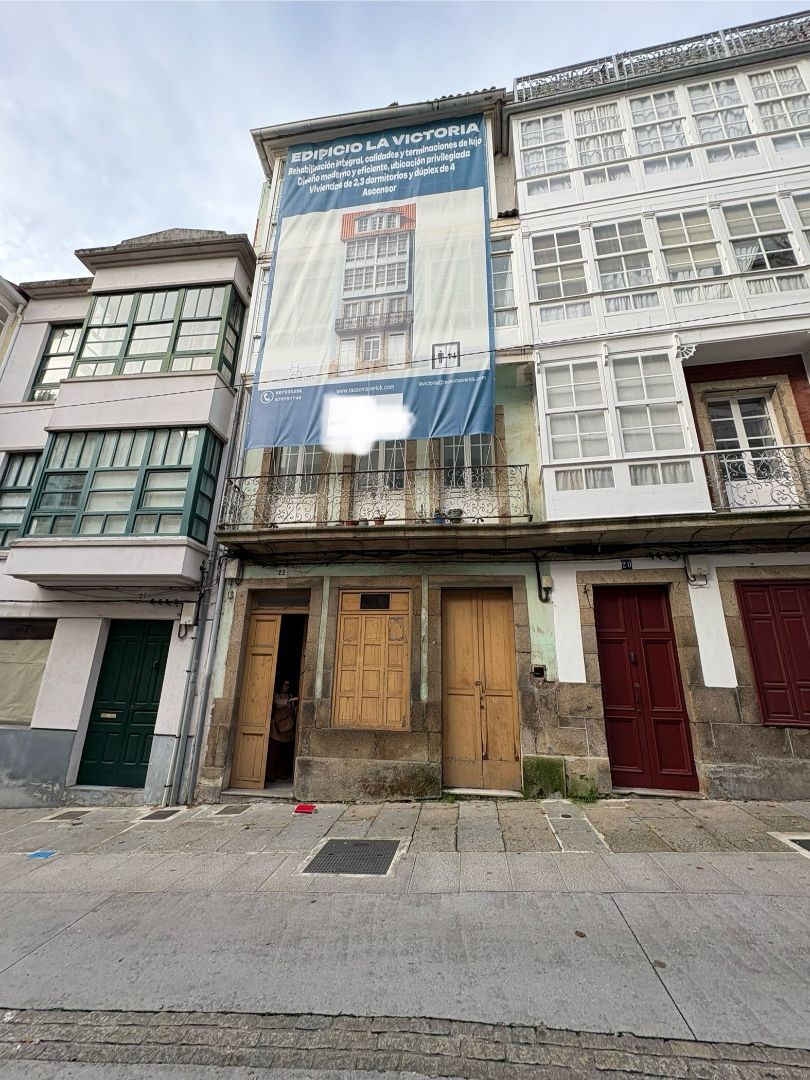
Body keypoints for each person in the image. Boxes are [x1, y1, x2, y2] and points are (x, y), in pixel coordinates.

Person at [266, 678, 298, 783]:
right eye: (285, 685)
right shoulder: (276, 695)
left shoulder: (290, 695)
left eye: (288, 685)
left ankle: (281, 773)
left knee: (284, 753)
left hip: (287, 728)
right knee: (273, 752)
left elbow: (293, 710)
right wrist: (289, 701)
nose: (287, 687)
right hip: (276, 729)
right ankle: (270, 774)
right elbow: (277, 703)